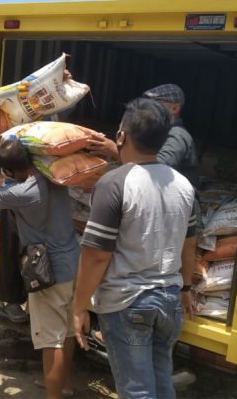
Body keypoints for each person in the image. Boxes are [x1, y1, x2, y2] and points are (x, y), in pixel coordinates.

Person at [73, 98, 197, 399]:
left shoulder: (114, 183)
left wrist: (78, 306)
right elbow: (189, 242)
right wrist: (185, 287)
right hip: (169, 299)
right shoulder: (184, 185)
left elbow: (97, 255)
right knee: (162, 381)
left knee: (137, 390)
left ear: (121, 136)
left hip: (128, 302)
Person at [0, 125, 80, 399]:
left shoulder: (23, 193)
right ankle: (63, 384)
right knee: (68, 331)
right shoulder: (55, 176)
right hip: (73, 264)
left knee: (51, 340)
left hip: (49, 272)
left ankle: (54, 395)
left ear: (8, 172)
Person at [87, 83, 198, 188]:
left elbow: (157, 168)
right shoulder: (157, 132)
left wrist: (114, 150)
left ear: (175, 108)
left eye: (155, 104)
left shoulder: (177, 135)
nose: (148, 109)